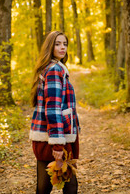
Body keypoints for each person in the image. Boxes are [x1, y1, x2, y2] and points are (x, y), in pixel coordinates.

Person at [30, 31, 80, 194]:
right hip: (54, 137)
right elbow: (53, 109)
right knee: (67, 186)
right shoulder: (54, 70)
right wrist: (58, 145)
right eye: (58, 44)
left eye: (64, 44)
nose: (62, 47)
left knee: (46, 186)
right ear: (50, 46)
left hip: (52, 136)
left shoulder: (53, 68)